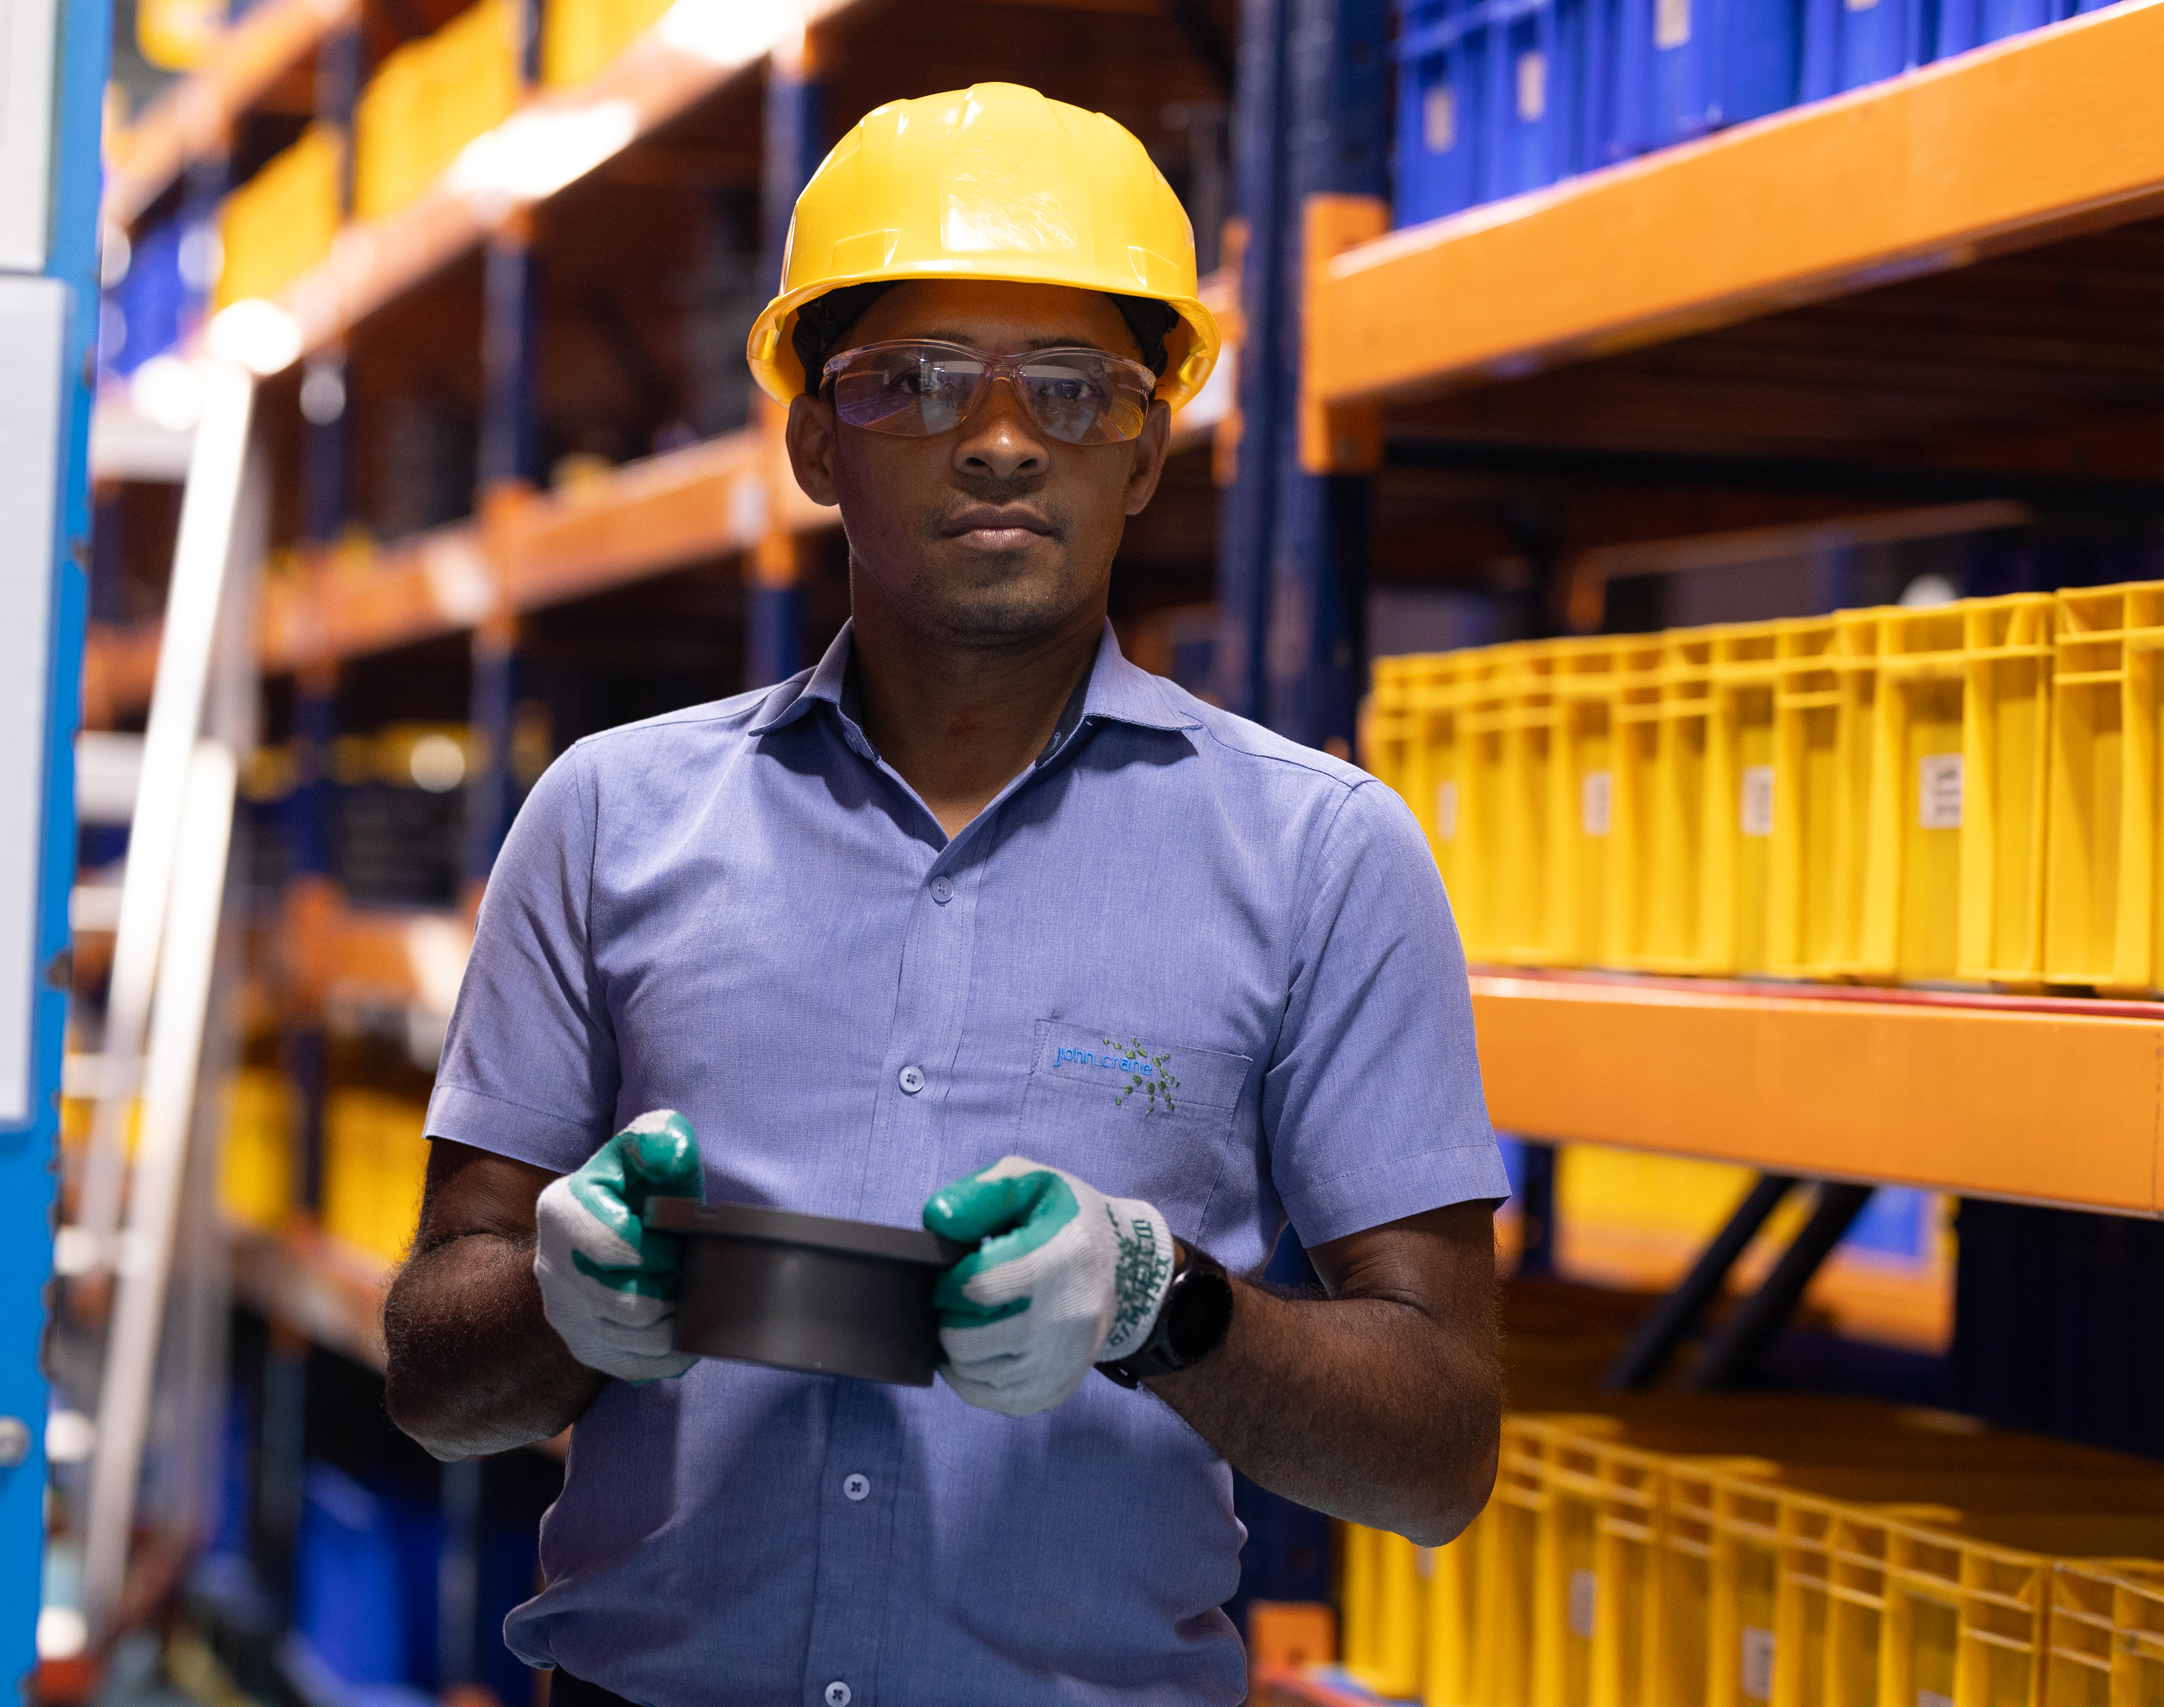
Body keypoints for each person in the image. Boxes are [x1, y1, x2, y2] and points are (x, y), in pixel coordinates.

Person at [381, 83, 1509, 1707]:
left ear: (1148, 448)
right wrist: (565, 1305)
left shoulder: (1322, 855)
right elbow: (436, 1371)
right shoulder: (608, 819)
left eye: (1072, 388)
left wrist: (1162, 1305)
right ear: (814, 440)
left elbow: (1439, 1453)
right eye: (912, 384)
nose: (998, 438)